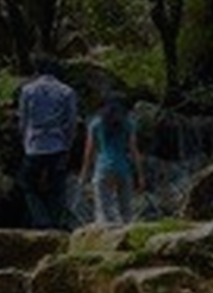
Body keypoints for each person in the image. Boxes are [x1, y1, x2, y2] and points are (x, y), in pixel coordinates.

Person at [17, 55, 80, 229]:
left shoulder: (27, 90)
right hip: (58, 145)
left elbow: (23, 121)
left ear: (38, 71)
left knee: (27, 184)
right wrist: (68, 145)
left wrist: (25, 143)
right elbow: (71, 122)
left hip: (33, 145)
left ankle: (41, 220)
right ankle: (55, 222)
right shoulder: (67, 91)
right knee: (57, 186)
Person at [79, 97, 144, 225]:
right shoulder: (128, 124)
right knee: (127, 212)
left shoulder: (96, 124)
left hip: (103, 169)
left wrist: (84, 174)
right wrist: (141, 176)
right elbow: (134, 151)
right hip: (123, 169)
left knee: (103, 211)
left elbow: (89, 152)